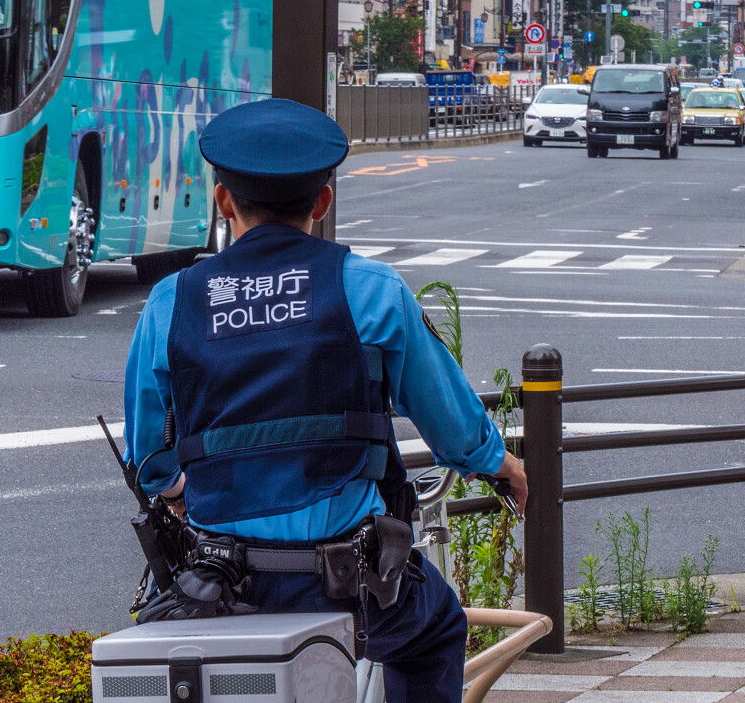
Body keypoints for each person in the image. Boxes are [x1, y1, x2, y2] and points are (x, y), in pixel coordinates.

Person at [123, 99, 528, 703]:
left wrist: (182, 492)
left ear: (223, 201)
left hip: (221, 581)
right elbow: (451, 423)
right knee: (438, 630)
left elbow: (151, 460)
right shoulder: (369, 289)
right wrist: (502, 466)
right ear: (322, 202)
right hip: (348, 585)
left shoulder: (171, 301)